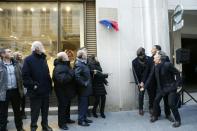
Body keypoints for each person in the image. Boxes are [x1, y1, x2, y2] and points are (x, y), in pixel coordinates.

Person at [22, 41, 53, 131]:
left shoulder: (43, 59)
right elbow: (25, 75)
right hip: (35, 91)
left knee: (45, 110)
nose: (43, 48)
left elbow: (46, 73)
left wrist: (50, 86)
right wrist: (33, 85)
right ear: (36, 49)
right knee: (35, 111)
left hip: (45, 90)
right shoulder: (28, 59)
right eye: (41, 46)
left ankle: (45, 125)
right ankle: (33, 127)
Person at [147, 51, 182, 128]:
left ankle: (178, 120)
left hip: (171, 87)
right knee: (156, 101)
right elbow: (150, 77)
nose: (153, 59)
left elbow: (177, 73)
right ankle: (155, 116)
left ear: (159, 58)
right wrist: (144, 86)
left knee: (171, 103)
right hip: (161, 88)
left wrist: (177, 84)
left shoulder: (168, 65)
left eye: (155, 57)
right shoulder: (155, 66)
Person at [0, 48, 25, 131]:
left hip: (15, 91)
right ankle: (3, 128)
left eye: (11, 51)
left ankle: (20, 128)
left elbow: (22, 76)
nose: (11, 53)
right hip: (4, 92)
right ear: (3, 54)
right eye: (9, 51)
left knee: (17, 111)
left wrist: (23, 88)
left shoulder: (16, 64)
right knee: (3, 113)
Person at [149, 45, 173, 121]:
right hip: (156, 83)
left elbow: (170, 70)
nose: (152, 49)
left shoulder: (165, 57)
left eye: (153, 48)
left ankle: (168, 114)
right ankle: (155, 115)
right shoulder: (151, 58)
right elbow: (150, 72)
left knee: (166, 100)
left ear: (157, 50)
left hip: (166, 84)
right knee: (156, 100)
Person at [53, 52, 76, 130]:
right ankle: (62, 124)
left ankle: (67, 119)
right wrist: (72, 72)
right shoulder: (59, 67)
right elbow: (63, 80)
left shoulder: (65, 65)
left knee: (67, 105)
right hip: (62, 91)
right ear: (63, 58)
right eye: (66, 56)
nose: (68, 57)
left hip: (67, 90)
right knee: (62, 107)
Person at [74, 49, 93, 126]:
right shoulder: (79, 64)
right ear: (82, 55)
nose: (87, 55)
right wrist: (84, 83)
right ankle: (81, 120)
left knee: (85, 105)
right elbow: (77, 76)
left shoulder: (84, 64)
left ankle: (84, 118)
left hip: (86, 89)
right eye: (85, 54)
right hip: (83, 89)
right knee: (82, 105)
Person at [132, 47, 151, 116]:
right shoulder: (134, 61)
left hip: (148, 80)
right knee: (141, 95)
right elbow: (134, 73)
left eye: (142, 55)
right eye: (140, 56)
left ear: (144, 54)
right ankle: (141, 109)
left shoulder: (149, 59)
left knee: (151, 95)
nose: (141, 57)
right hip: (140, 81)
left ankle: (151, 108)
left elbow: (148, 71)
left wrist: (145, 81)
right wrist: (138, 83)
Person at [13, 52, 27, 119]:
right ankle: (19, 113)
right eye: (18, 55)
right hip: (16, 85)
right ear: (16, 56)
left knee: (23, 100)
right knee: (18, 100)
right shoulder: (14, 63)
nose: (20, 56)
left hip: (23, 84)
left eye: (21, 55)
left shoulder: (23, 62)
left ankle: (23, 112)